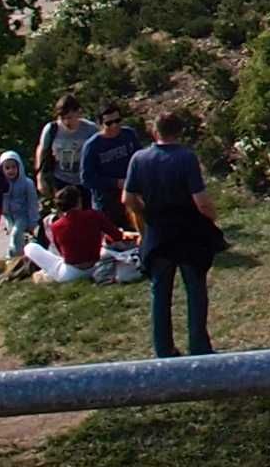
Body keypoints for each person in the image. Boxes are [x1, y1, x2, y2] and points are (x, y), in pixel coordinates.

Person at [122, 107, 220, 357]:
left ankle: (163, 349)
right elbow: (200, 199)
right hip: (187, 229)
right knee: (195, 288)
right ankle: (199, 346)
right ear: (179, 132)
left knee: (160, 291)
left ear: (155, 131)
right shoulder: (186, 157)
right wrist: (212, 217)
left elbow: (128, 198)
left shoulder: (139, 159)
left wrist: (146, 214)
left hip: (157, 230)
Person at [79, 104, 142, 244]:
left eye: (117, 121)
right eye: (109, 123)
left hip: (132, 197)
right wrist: (115, 182)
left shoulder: (129, 135)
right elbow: (86, 179)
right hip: (107, 204)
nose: (114, 126)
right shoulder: (92, 146)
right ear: (100, 124)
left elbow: (140, 160)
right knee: (114, 243)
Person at [27, 95, 88, 211]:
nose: (66, 122)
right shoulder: (51, 129)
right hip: (61, 179)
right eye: (62, 118)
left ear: (78, 112)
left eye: (69, 117)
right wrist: (40, 177)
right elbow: (42, 150)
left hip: (84, 181)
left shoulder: (90, 129)